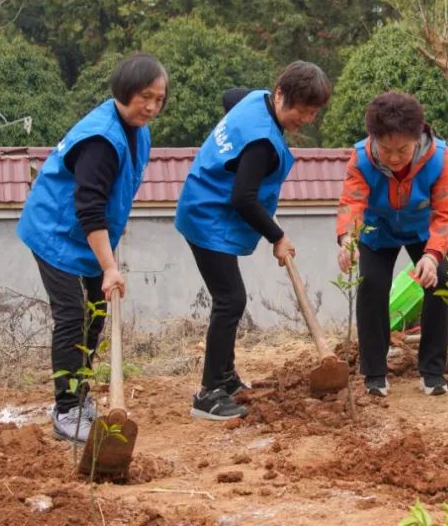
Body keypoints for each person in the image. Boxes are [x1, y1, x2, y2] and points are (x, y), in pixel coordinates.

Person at [17, 53, 168, 442]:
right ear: (124, 91)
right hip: (56, 230)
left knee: (96, 313)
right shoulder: (102, 139)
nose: (152, 107)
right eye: (145, 97)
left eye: (159, 99)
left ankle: (80, 395)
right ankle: (66, 410)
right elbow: (88, 206)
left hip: (87, 233)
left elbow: (115, 190)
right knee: (72, 315)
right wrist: (110, 266)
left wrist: (110, 245)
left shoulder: (138, 130)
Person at [175, 61, 332, 420]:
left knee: (230, 298)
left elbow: (228, 97)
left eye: (312, 113)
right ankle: (209, 393)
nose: (306, 120)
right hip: (208, 217)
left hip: (203, 201)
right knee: (230, 299)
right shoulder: (262, 143)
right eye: (301, 110)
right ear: (280, 95)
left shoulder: (253, 99)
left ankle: (227, 378)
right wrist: (277, 236)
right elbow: (243, 199)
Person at [336, 92, 448, 397]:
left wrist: (432, 255)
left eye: (402, 149)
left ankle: (433, 370)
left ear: (418, 137)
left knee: (442, 280)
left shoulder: (437, 158)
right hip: (378, 231)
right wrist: (348, 239)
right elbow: (352, 202)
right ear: (373, 139)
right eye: (385, 149)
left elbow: (444, 212)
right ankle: (374, 372)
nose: (393, 158)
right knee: (372, 286)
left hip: (424, 230)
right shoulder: (362, 158)